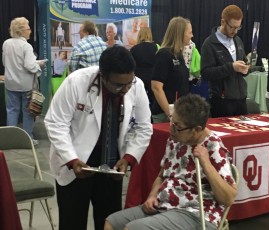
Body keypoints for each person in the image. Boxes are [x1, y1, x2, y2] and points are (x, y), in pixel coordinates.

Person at [44, 46, 153, 230]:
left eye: (129, 83)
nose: (125, 90)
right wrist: (71, 159)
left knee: (109, 220)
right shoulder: (76, 82)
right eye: (118, 85)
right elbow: (56, 123)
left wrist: (128, 158)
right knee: (72, 221)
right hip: (76, 162)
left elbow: (144, 127)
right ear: (103, 75)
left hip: (112, 164)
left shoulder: (136, 85)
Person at [104, 93, 237, 230]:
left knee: (134, 228)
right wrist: (152, 196)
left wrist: (206, 163)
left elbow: (228, 198)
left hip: (196, 213)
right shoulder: (176, 139)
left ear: (197, 129)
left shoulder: (213, 147)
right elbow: (162, 175)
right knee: (112, 222)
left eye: (177, 126)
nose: (171, 129)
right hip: (164, 205)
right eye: (172, 122)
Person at [201, 5, 250, 118]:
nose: (235, 31)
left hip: (240, 98)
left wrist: (246, 68)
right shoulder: (209, 44)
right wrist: (231, 67)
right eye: (232, 27)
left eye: (238, 27)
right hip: (221, 100)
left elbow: (243, 62)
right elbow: (206, 73)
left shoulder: (238, 41)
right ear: (223, 22)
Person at [2, 17, 45, 145]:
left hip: (10, 83)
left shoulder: (6, 43)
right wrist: (39, 65)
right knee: (28, 112)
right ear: (22, 31)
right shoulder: (26, 46)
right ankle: (27, 139)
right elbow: (29, 66)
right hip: (25, 85)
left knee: (11, 110)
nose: (30, 31)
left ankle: (9, 139)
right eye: (28, 28)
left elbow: (6, 63)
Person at [151, 16, 192, 123]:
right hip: (164, 116)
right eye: (190, 32)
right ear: (181, 33)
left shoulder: (178, 54)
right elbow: (156, 87)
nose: (191, 36)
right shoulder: (164, 54)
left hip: (180, 113)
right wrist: (170, 114)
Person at [130, 27, 158, 106]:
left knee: (139, 101)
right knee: (153, 101)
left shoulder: (133, 49)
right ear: (150, 35)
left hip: (138, 79)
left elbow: (131, 66)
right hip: (152, 78)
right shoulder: (156, 47)